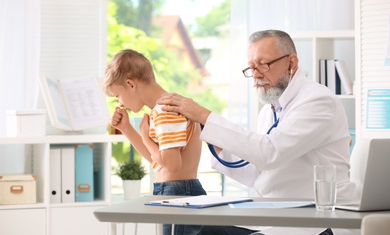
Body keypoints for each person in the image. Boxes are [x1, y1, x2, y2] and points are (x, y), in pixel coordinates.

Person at [157, 29, 358, 235]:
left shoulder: (317, 100)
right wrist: (207, 131)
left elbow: (270, 154)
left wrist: (204, 116)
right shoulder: (269, 111)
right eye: (251, 67)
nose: (256, 74)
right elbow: (257, 172)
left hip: (320, 222)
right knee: (198, 231)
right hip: (279, 218)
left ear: (291, 63)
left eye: (263, 64)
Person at [103, 49, 206, 235]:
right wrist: (127, 129)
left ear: (130, 84)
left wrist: (145, 137)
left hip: (177, 194)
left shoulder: (165, 111)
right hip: (177, 192)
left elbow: (173, 165)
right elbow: (160, 162)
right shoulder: (165, 109)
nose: (120, 103)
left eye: (118, 95)